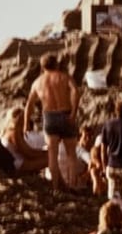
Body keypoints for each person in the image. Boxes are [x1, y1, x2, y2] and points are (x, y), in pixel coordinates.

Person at [24, 53, 81, 191]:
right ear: (56, 64)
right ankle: (72, 186)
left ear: (42, 66)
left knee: (52, 155)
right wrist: (73, 113)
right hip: (66, 114)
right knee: (71, 155)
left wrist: (26, 123)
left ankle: (55, 187)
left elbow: (29, 104)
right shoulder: (64, 77)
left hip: (49, 117)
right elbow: (75, 92)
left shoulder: (37, 82)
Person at [0, 107, 47, 174]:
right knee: (50, 159)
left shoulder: (6, 130)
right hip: (15, 164)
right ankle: (60, 183)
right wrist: (45, 153)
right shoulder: (13, 132)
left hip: (14, 162)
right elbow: (27, 152)